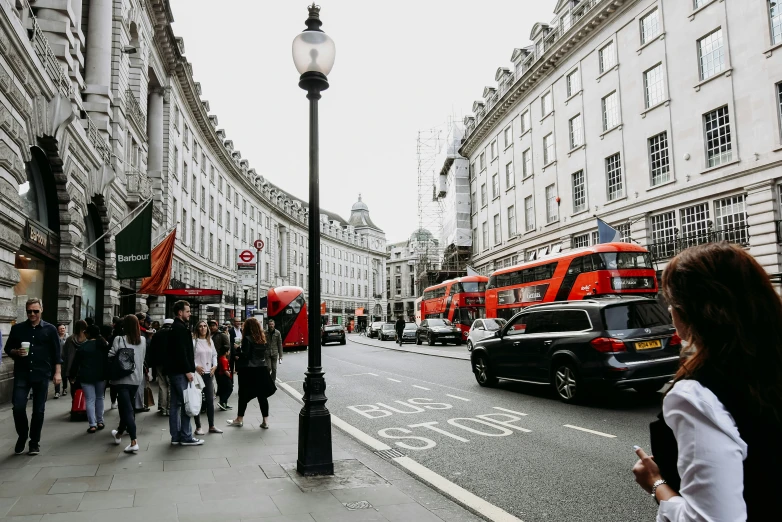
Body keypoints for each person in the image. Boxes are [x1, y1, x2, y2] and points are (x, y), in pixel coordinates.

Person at [632, 243, 782, 519]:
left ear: (688, 313)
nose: (668, 311)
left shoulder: (696, 394)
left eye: (671, 303)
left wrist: (655, 483)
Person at [5, 298, 62, 455]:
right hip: (22, 373)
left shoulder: (50, 330)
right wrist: (15, 352)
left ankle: (34, 442)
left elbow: (57, 354)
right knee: (18, 407)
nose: (32, 314)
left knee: (38, 411)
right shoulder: (18, 329)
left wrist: (58, 373)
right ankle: (22, 435)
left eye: (35, 311)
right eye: (29, 311)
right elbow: (8, 347)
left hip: (42, 374)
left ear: (41, 310)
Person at [165, 300, 203, 446]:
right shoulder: (180, 329)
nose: (189, 313)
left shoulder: (175, 327)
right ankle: (186, 436)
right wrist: (188, 370)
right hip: (181, 372)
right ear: (180, 312)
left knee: (175, 405)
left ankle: (175, 436)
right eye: (187, 311)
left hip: (174, 372)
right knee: (187, 404)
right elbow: (181, 352)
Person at [226, 317, 275, 429]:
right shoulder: (262, 339)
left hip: (249, 370)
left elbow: (246, 355)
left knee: (243, 395)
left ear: (248, 327)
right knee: (262, 396)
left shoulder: (247, 339)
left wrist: (238, 349)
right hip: (262, 370)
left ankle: (239, 419)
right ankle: (265, 421)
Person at [109, 315, 147, 453]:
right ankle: (119, 433)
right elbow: (142, 358)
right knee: (126, 407)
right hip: (136, 378)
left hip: (121, 378)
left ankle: (134, 441)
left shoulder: (119, 339)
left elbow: (111, 355)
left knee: (128, 409)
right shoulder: (142, 340)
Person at [70, 324, 109, 433]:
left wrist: (72, 376)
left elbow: (76, 364)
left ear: (89, 334)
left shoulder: (83, 347)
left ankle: (92, 424)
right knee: (100, 397)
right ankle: (100, 421)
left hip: (86, 376)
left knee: (90, 400)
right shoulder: (103, 345)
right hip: (101, 375)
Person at [192, 320, 222, 435]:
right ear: (197, 329)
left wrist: (215, 366)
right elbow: (190, 356)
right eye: (200, 326)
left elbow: (214, 354)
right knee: (197, 401)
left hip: (209, 374)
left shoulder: (210, 341)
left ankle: (212, 426)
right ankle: (198, 427)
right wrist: (196, 367)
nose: (203, 328)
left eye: (205, 326)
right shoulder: (194, 341)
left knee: (210, 400)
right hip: (197, 375)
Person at [148, 318, 173, 416]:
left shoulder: (157, 334)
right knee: (170, 385)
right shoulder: (173, 333)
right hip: (171, 363)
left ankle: (163, 408)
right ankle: (170, 407)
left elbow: (152, 349)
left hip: (159, 363)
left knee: (162, 385)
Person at [215, 345, 233, 411]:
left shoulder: (221, 358)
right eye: (228, 350)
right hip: (224, 377)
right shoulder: (224, 359)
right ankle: (222, 401)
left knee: (224, 390)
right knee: (229, 389)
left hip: (221, 376)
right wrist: (230, 376)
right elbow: (225, 370)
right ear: (226, 352)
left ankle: (224, 404)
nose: (229, 352)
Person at [54, 324, 68, 398]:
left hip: (65, 359)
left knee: (64, 375)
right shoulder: (56, 338)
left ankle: (65, 388)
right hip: (57, 358)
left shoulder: (68, 338)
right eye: (60, 329)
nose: (62, 330)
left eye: (63, 328)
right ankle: (57, 391)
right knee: (57, 374)